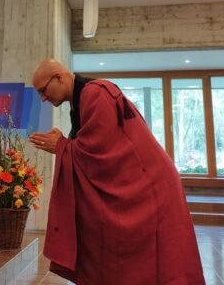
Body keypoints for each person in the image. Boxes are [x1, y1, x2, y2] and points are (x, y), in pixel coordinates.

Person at [29, 59, 206, 285]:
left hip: (151, 186)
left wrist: (62, 146)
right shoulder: (81, 99)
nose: (43, 98)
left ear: (60, 77)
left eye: (43, 90)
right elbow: (91, 147)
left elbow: (99, 149)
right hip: (145, 181)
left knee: (162, 257)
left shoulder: (95, 93)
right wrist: (65, 145)